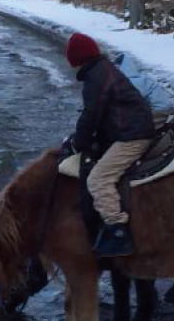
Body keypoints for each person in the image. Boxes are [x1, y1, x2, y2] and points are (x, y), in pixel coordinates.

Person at [61, 33, 155, 257]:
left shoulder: (96, 77)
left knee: (98, 179)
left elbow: (91, 115)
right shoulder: (104, 69)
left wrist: (77, 143)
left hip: (133, 135)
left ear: (78, 59)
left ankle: (118, 231)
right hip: (131, 129)